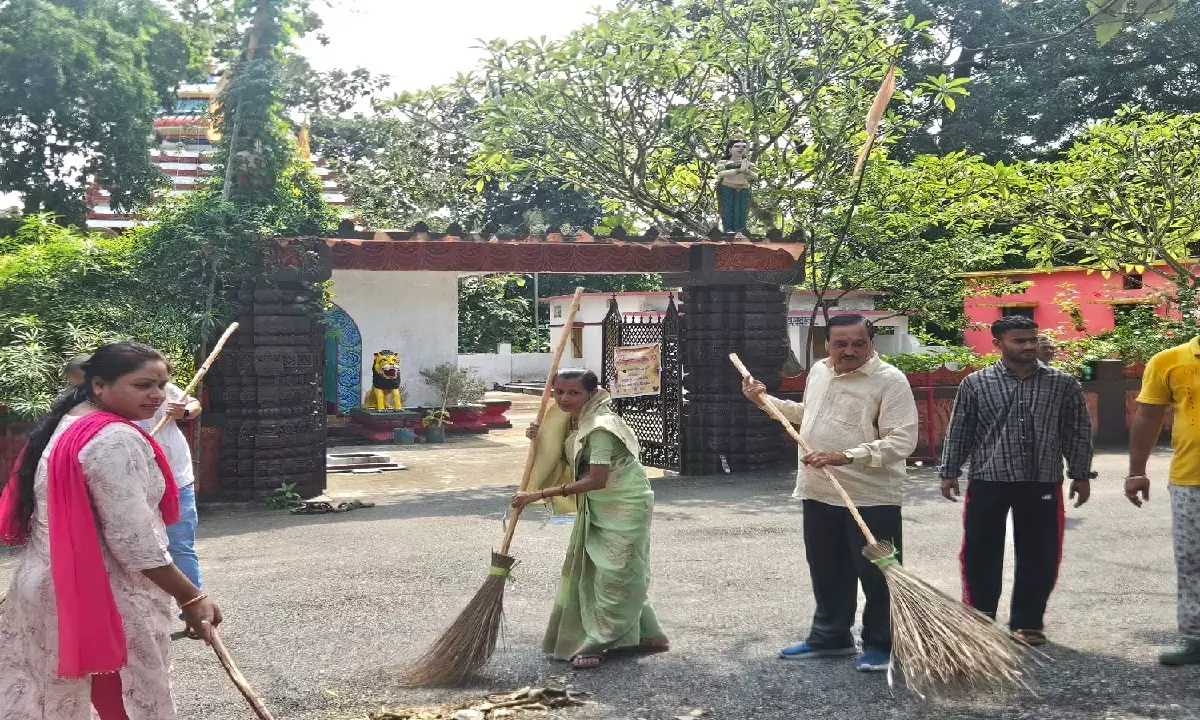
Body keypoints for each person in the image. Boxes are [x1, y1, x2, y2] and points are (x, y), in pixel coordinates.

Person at [0, 341, 222, 719]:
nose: (156, 396)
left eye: (161, 385)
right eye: (142, 386)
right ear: (99, 385)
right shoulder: (116, 439)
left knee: (53, 698)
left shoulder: (71, 421)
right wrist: (191, 597)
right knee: (123, 703)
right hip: (103, 598)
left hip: (51, 585)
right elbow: (135, 544)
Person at [741, 314, 918, 672]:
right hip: (819, 491)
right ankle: (831, 637)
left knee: (878, 574)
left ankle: (880, 644)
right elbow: (808, 416)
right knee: (826, 569)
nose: (848, 350)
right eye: (840, 343)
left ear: (872, 344)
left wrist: (846, 456)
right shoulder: (820, 371)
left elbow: (902, 440)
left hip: (871, 497)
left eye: (858, 343)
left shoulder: (890, 381)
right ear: (827, 344)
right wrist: (764, 401)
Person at [939, 316, 1094, 646]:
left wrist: (1080, 473)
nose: (1028, 346)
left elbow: (1077, 431)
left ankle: (1028, 622)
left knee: (1040, 553)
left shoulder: (1062, 383)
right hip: (989, 478)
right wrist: (949, 471)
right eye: (1019, 341)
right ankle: (979, 620)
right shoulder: (976, 384)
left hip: (1041, 480)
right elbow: (960, 431)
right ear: (998, 344)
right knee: (980, 552)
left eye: (1032, 340)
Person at [512, 369, 667, 670]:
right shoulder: (571, 419)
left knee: (617, 571)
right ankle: (650, 634)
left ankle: (599, 639)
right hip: (598, 502)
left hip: (624, 501)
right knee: (598, 568)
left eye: (573, 393)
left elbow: (596, 479)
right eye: (558, 392)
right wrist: (540, 435)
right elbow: (563, 453)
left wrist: (538, 494)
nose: (564, 398)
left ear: (592, 393)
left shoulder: (599, 425)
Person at [1126, 336, 1200, 665]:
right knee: (1192, 563)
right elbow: (1148, 416)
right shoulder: (1169, 360)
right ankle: (1195, 637)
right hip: (1191, 480)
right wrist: (1136, 471)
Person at [137, 379, 204, 635]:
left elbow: (193, 404)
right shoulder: (111, 398)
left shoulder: (163, 389)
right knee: (139, 550)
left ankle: (193, 612)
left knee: (180, 547)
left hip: (176, 480)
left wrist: (184, 411)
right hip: (135, 483)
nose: (155, 392)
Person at [715, 138, 758, 233]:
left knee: (742, 210)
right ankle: (728, 229)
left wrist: (747, 171)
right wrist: (738, 170)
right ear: (730, 149)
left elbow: (757, 177)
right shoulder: (723, 162)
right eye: (737, 146)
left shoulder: (749, 164)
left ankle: (741, 229)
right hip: (727, 187)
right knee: (728, 209)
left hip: (744, 188)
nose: (741, 148)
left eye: (744, 147)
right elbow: (720, 174)